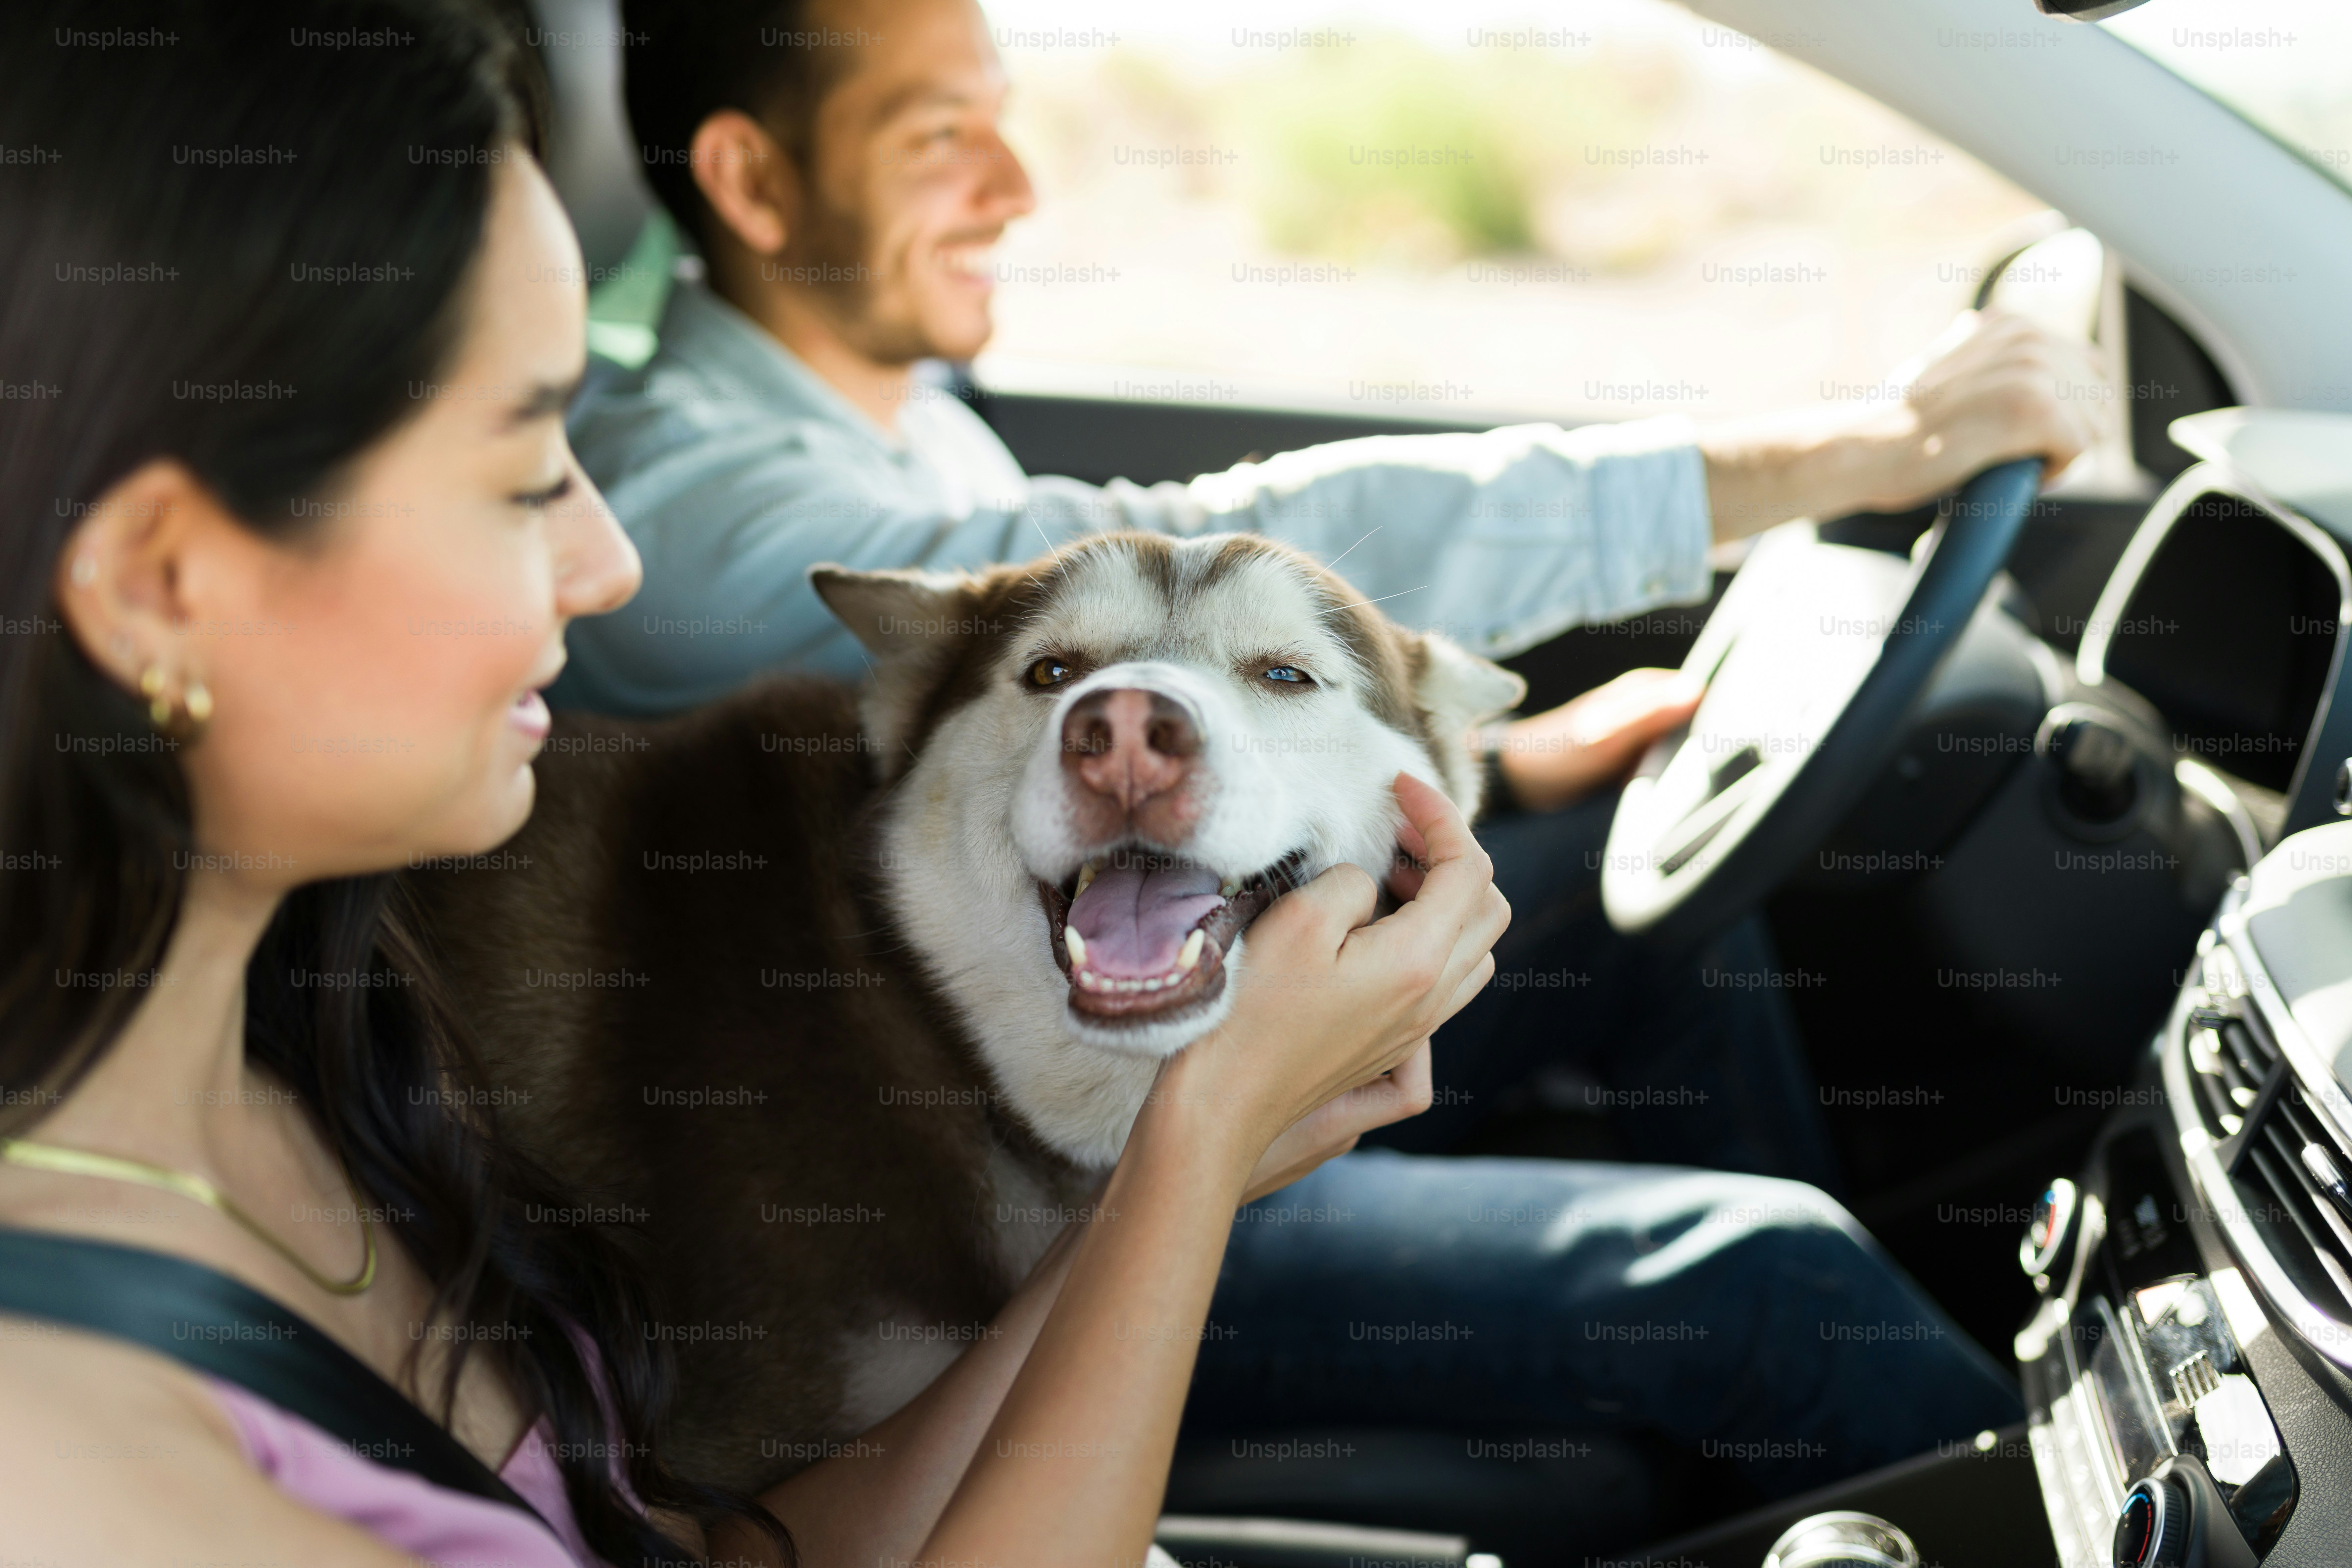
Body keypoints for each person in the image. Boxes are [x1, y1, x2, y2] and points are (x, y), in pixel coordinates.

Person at [0, 5, 2020, 1563]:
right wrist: (1199, 1134)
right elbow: (1207, 535)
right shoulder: (72, 1448)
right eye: (532, 466)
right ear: (165, 580)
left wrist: (1193, 1148)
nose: (603, 565)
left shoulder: (338, 1074)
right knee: (1753, 1281)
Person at [556, 0, 2107, 1191]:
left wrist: (1506, 755)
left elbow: (1171, 736)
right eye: (936, 135)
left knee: (1661, 933)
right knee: (1755, 1282)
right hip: (991, 1183)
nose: (1018, 187)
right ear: (754, 181)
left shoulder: (898, 420)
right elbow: (1221, 558)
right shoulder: (688, 509)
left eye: (1005, 123)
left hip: (1122, 1043)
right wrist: (1871, 449)